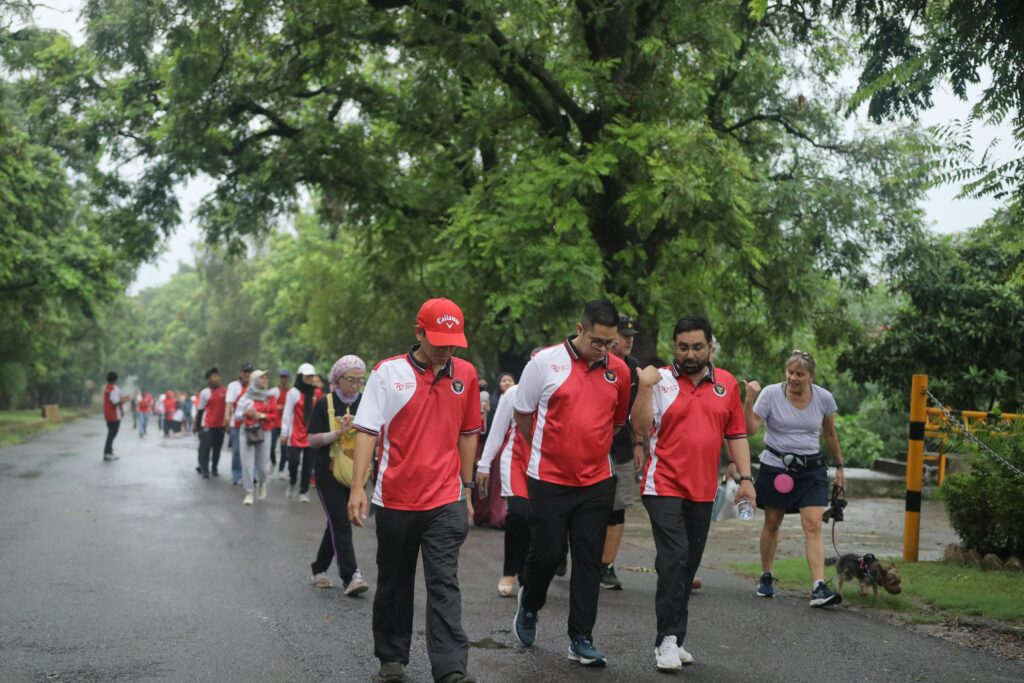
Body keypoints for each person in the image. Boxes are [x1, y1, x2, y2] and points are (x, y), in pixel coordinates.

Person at [348, 297, 481, 683]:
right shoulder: (387, 373)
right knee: (394, 581)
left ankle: (451, 668)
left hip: (446, 498)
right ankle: (391, 659)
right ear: (418, 332)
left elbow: (468, 434)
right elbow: (368, 430)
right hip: (395, 500)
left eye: (453, 340)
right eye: (438, 339)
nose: (447, 348)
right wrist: (358, 486)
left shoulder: (466, 375)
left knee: (444, 582)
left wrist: (468, 490)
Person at [631, 315, 756, 672]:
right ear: (675, 347)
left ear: (710, 347)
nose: (689, 354)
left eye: (697, 347)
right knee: (674, 557)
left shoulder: (727, 384)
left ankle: (676, 638)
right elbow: (640, 427)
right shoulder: (659, 380)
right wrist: (643, 387)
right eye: (683, 347)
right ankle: (665, 641)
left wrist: (746, 478)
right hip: (662, 484)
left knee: (687, 563)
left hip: (704, 490)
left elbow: (737, 435)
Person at [511, 299, 631, 668]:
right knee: (546, 555)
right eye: (597, 341)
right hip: (548, 478)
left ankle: (581, 637)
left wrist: (589, 450)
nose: (604, 350)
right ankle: (530, 604)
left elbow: (615, 423)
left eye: (611, 344)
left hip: (596, 481)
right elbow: (523, 414)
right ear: (580, 329)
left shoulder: (620, 372)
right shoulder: (543, 363)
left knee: (588, 560)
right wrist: (553, 449)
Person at [745, 349, 846, 608]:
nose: (793, 378)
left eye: (800, 374)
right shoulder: (769, 394)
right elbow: (751, 429)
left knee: (813, 524)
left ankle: (818, 587)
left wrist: (840, 468)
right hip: (776, 468)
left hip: (811, 470)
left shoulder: (823, 398)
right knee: (772, 522)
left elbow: (830, 434)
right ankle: (766, 575)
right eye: (790, 372)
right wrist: (749, 400)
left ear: (811, 376)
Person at [306, 355, 370, 595]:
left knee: (335, 523)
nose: (354, 385)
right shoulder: (325, 404)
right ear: (337, 379)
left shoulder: (365, 403)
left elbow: (376, 433)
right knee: (342, 522)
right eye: (350, 380)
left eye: (359, 381)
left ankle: (319, 568)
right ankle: (351, 576)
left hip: (357, 474)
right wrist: (338, 432)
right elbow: (311, 439)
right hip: (328, 473)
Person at [476, 372, 531, 598]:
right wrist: (484, 465)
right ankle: (510, 571)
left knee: (539, 521)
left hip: (548, 462)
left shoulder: (560, 391)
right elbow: (497, 431)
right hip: (516, 460)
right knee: (519, 515)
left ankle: (528, 575)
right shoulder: (515, 394)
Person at [600, 314, 642, 591]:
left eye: (631, 336)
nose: (628, 340)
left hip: (623, 446)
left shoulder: (635, 369)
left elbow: (637, 412)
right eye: (623, 335)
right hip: (593, 445)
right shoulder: (596, 362)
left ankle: (606, 566)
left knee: (617, 508)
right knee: (583, 506)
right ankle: (566, 553)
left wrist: (639, 443)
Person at [233, 370, 276, 505]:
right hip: (247, 432)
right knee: (247, 465)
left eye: (266, 378)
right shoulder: (245, 397)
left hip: (264, 431)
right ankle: (249, 493)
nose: (265, 380)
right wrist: (245, 413)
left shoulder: (270, 397)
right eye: (261, 378)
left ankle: (262, 484)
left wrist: (261, 416)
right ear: (254, 381)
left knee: (263, 466)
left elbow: (275, 416)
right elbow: (236, 416)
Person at [281, 363, 320, 503]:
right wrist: (284, 433)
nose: (310, 378)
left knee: (308, 465)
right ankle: (292, 482)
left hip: (311, 434)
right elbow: (287, 413)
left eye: (311, 375)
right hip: (295, 434)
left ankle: (304, 491)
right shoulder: (293, 392)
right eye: (307, 376)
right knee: (293, 461)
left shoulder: (316, 393)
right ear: (300, 376)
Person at [194, 368, 227, 479]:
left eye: (217, 376)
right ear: (209, 380)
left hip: (220, 425)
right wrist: (196, 425)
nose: (216, 378)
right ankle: (205, 468)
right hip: (207, 425)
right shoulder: (205, 393)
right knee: (206, 447)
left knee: (217, 448)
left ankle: (214, 467)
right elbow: (200, 410)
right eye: (213, 376)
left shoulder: (225, 391)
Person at [225, 363, 254, 485]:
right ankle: (236, 474)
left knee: (252, 451)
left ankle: (253, 475)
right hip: (236, 424)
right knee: (237, 451)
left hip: (252, 424)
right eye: (245, 371)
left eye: (249, 372)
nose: (247, 374)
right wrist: (227, 419)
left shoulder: (255, 385)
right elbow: (229, 404)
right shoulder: (233, 386)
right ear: (240, 373)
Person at [102, 371, 129, 461]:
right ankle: (107, 453)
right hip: (114, 415)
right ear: (115, 379)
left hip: (109, 414)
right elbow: (115, 402)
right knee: (112, 434)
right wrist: (125, 400)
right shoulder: (113, 388)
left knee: (111, 433)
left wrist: (122, 398)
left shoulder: (107, 387)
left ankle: (109, 451)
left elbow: (115, 399)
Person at [270, 369, 290, 473]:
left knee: (284, 448)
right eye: (282, 377)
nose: (283, 379)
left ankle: (281, 469)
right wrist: (276, 407)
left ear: (288, 379)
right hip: (274, 423)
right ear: (279, 378)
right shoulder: (273, 391)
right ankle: (273, 461)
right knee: (271, 446)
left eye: (285, 377)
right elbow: (268, 404)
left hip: (285, 424)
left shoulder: (291, 392)